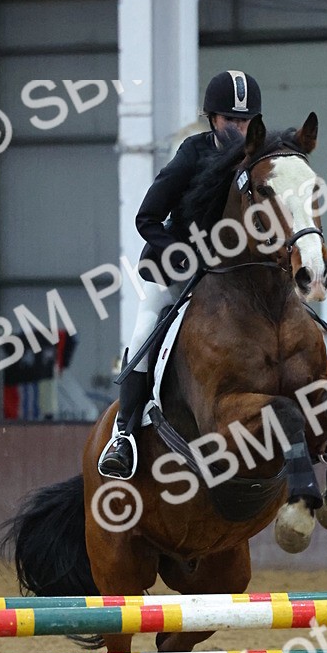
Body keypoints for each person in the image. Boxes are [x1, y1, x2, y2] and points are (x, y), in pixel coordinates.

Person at [98, 69, 262, 479]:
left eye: (243, 122)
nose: (237, 130)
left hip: (234, 276)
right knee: (142, 336)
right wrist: (184, 256)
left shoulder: (259, 161)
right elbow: (147, 217)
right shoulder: (192, 153)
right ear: (212, 119)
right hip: (177, 272)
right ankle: (125, 434)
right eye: (230, 121)